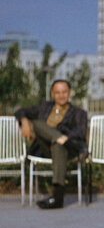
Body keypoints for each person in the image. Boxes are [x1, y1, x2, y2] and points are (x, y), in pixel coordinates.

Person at [14, 79, 88, 209]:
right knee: (37, 124)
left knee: (58, 146)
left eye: (64, 92)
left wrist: (66, 138)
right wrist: (24, 121)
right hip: (45, 149)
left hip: (69, 150)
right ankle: (60, 140)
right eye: (57, 92)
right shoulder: (44, 107)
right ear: (52, 94)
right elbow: (20, 111)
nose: (61, 95)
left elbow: (80, 132)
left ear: (69, 93)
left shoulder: (79, 113)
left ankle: (58, 197)